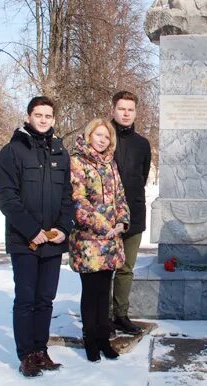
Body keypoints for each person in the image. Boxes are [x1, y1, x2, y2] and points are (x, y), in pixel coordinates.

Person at [0, 96, 74, 377]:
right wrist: (32, 230)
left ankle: (41, 350)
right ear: (28, 117)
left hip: (52, 241)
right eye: (38, 115)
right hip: (24, 240)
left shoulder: (60, 152)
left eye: (48, 115)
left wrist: (64, 228)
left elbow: (68, 196)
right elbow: (7, 198)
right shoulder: (12, 151)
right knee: (26, 299)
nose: (43, 120)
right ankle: (26, 354)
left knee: (45, 300)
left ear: (54, 119)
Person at [69, 118, 130, 362]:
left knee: (104, 291)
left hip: (111, 241)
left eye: (107, 137)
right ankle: (90, 339)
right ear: (90, 134)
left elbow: (120, 196)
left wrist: (122, 221)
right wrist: (103, 225)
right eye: (99, 135)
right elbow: (77, 199)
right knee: (91, 292)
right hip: (88, 240)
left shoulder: (111, 164)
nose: (103, 140)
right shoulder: (77, 161)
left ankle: (104, 338)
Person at [110, 90, 151, 336]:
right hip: (104, 216)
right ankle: (101, 316)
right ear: (113, 110)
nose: (126, 113)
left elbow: (141, 177)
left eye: (130, 109)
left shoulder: (142, 144)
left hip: (133, 214)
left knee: (125, 268)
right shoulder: (103, 137)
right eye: (121, 108)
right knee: (103, 268)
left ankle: (120, 315)